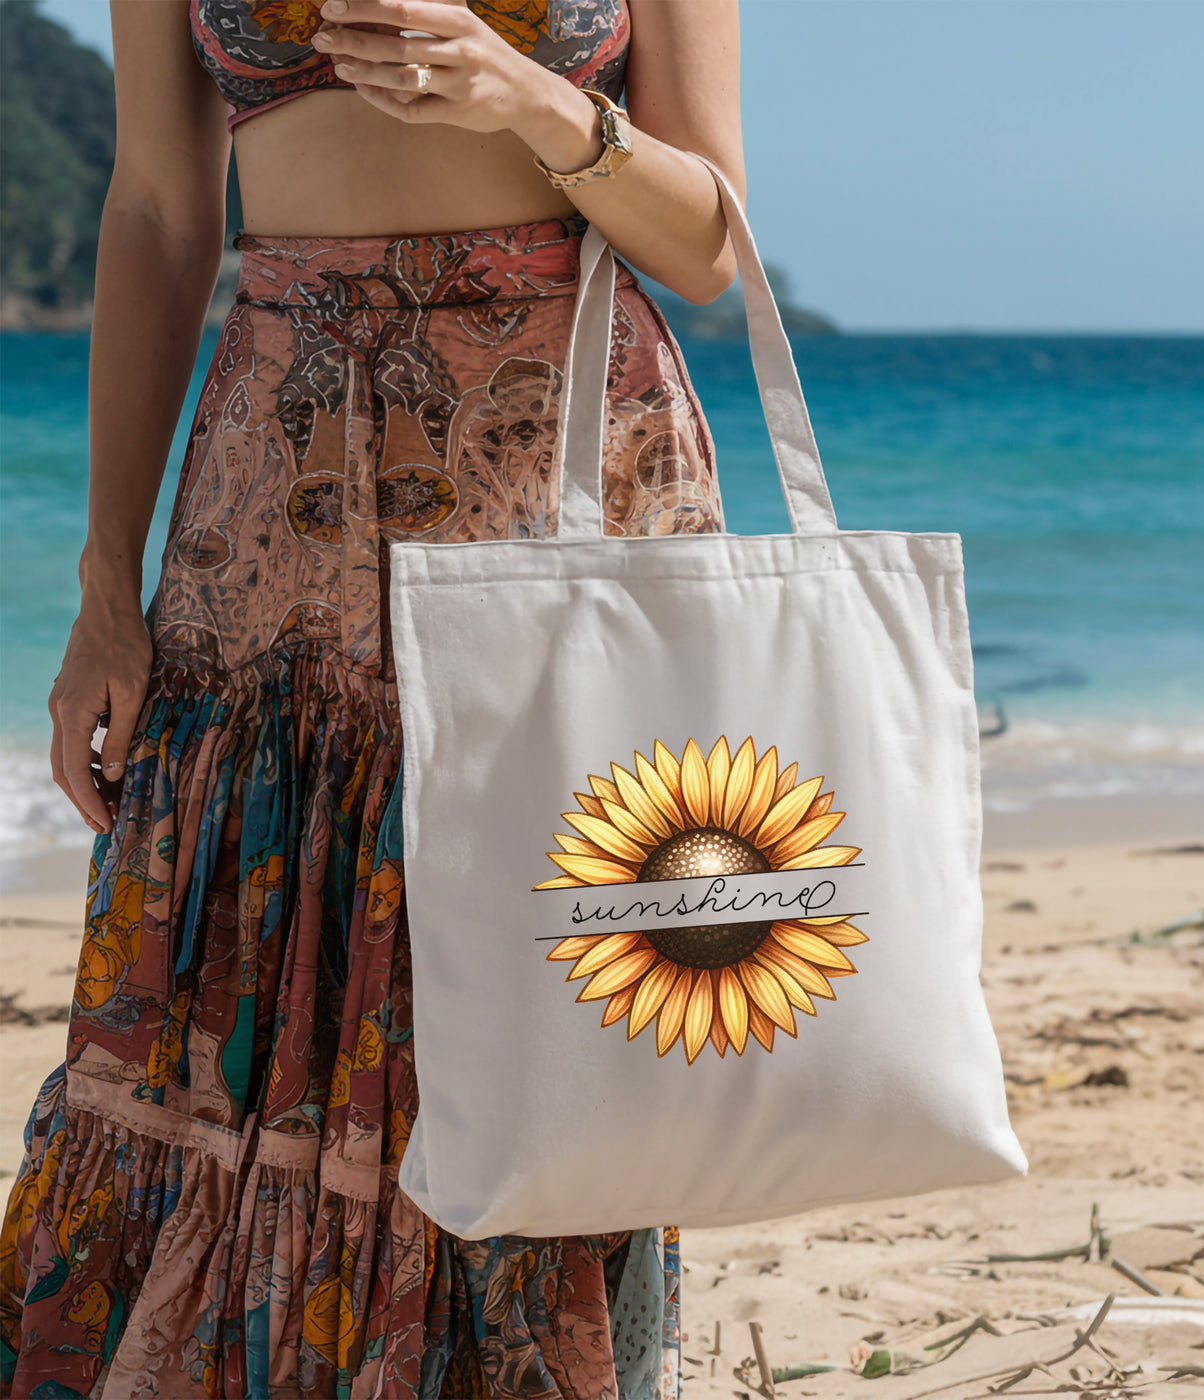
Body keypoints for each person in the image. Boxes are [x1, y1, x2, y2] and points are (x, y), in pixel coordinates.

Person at [0, 0, 741, 1393]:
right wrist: (107, 585)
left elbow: (706, 240)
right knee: (230, 979)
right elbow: (162, 210)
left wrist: (526, 94)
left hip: (561, 462)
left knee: (559, 987)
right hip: (268, 490)